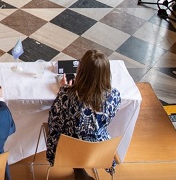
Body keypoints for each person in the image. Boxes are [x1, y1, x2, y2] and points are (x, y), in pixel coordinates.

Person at [46, 50, 121, 180]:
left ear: (81, 71)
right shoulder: (114, 96)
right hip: (100, 150)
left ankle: (78, 167)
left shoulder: (66, 96)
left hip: (68, 150)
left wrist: (64, 89)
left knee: (60, 130)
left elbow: (54, 121)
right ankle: (80, 169)